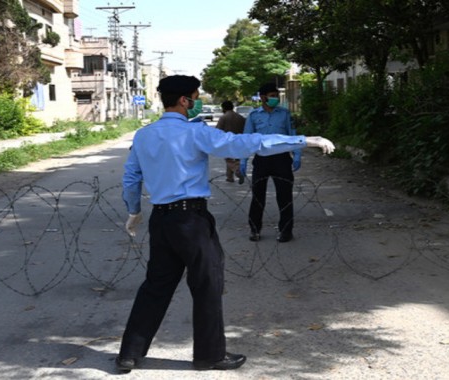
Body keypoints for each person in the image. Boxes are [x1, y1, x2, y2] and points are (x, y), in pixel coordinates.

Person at [117, 75, 335, 373]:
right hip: (191, 219)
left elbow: (131, 177)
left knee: (155, 286)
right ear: (184, 100)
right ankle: (209, 355)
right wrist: (304, 140)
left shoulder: (144, 135)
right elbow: (247, 143)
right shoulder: (195, 133)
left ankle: (129, 352)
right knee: (207, 285)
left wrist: (134, 210)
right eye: (194, 97)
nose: (196, 103)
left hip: (161, 219)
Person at [240, 83, 301, 243]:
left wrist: (297, 154)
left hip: (281, 159)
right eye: (271, 95)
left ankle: (286, 231)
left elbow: (292, 134)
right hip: (262, 160)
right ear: (262, 97)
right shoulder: (254, 116)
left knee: (285, 196)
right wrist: (243, 160)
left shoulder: (285, 114)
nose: (274, 98)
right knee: (258, 196)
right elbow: (247, 139)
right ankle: (255, 229)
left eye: (275, 95)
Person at [215, 100, 246, 184]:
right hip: (239, 141)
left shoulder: (224, 117)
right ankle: (229, 177)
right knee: (236, 158)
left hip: (227, 141)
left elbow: (217, 130)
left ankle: (237, 170)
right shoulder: (240, 117)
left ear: (223, 108)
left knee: (229, 159)